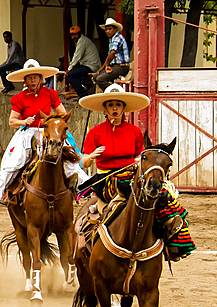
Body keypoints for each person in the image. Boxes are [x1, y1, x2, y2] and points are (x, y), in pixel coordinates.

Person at [78, 84, 195, 260]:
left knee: (164, 197)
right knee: (130, 190)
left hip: (132, 175)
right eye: (111, 105)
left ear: (124, 107)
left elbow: (140, 157)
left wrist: (137, 161)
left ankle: (174, 245)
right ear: (105, 108)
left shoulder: (134, 131)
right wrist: (92, 156)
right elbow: (85, 163)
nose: (115, 108)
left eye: (118, 104)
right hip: (106, 179)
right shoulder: (95, 132)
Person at [0, 60, 89, 204]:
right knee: (15, 162)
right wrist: (24, 121)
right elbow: (12, 121)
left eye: (35, 77)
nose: (32, 80)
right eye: (29, 78)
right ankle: (4, 192)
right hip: (28, 133)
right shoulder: (20, 98)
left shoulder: (51, 94)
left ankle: (82, 187)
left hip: (48, 132)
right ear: (25, 81)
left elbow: (62, 114)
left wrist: (49, 122)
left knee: (69, 158)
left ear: (41, 79)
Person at [65, 26, 101, 98]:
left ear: (79, 33)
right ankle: (87, 83)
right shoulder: (82, 40)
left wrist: (69, 68)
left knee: (70, 75)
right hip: (89, 65)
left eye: (75, 34)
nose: (73, 37)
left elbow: (77, 56)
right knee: (76, 74)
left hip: (90, 65)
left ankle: (83, 94)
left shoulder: (82, 41)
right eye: (72, 35)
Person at [95, 18, 131, 90]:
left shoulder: (117, 38)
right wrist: (103, 68)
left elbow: (112, 53)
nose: (107, 31)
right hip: (115, 66)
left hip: (121, 67)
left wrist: (107, 65)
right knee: (95, 77)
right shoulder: (112, 39)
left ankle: (114, 92)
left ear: (115, 29)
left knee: (100, 79)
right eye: (106, 29)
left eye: (110, 29)